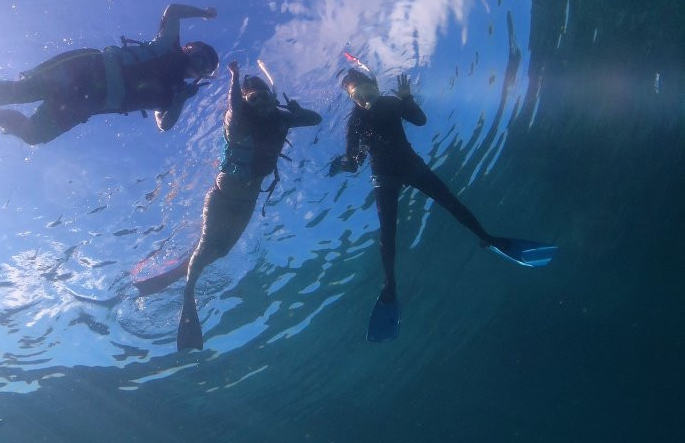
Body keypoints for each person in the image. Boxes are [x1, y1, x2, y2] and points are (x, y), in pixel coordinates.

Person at [330, 68, 557, 342]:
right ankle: (389, 286)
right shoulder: (354, 122)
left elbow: (420, 120)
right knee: (387, 232)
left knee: (451, 202)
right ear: (352, 100)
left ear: (374, 85)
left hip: (411, 166)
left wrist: (407, 100)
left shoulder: (391, 103)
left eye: (366, 91)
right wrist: (341, 164)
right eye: (357, 97)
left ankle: (488, 239)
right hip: (384, 176)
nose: (364, 99)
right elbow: (354, 163)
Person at [0, 3, 219, 170]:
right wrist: (203, 12)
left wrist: (181, 100)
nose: (198, 64)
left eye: (205, 68)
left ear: (200, 76)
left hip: (85, 105)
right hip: (83, 69)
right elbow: (172, 10)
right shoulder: (168, 45)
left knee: (34, 135)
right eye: (200, 54)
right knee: (19, 91)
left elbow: (165, 125)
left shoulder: (174, 94)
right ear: (190, 47)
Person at [135, 60, 321, 351]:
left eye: (264, 97)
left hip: (247, 202)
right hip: (222, 197)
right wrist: (234, 78)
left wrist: (298, 111)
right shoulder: (238, 120)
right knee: (208, 244)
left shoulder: (281, 120)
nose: (259, 102)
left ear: (272, 99)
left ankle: (178, 272)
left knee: (221, 251)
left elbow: (315, 120)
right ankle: (188, 292)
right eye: (253, 98)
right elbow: (235, 104)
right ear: (246, 102)